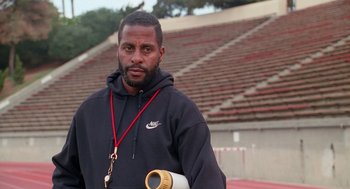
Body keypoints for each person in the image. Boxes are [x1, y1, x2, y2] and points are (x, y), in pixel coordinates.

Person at [52, 11, 226, 189]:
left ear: (161, 53)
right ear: (118, 50)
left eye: (146, 49)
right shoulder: (89, 111)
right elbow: (66, 176)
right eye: (128, 48)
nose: (136, 58)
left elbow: (209, 181)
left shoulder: (182, 111)